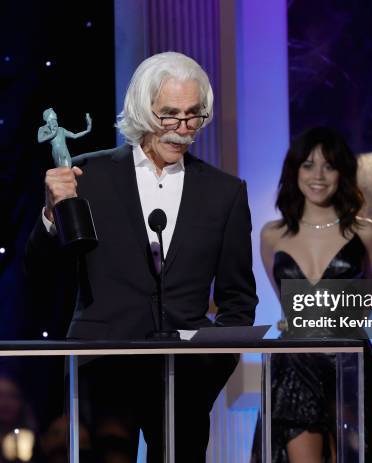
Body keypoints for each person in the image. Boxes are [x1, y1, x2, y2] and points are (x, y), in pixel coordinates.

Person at [25, 51, 258, 461]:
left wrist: (209, 373)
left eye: (193, 116)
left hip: (185, 383)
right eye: (169, 115)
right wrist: (50, 213)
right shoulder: (85, 177)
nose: (182, 129)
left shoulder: (226, 192)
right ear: (141, 110)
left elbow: (238, 300)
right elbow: (38, 273)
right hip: (101, 373)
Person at [254, 127, 372, 462]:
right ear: (294, 171)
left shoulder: (365, 232)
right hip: (293, 363)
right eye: (308, 165)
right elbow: (287, 302)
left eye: (329, 165)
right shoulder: (272, 235)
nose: (318, 175)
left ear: (343, 172)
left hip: (349, 362)